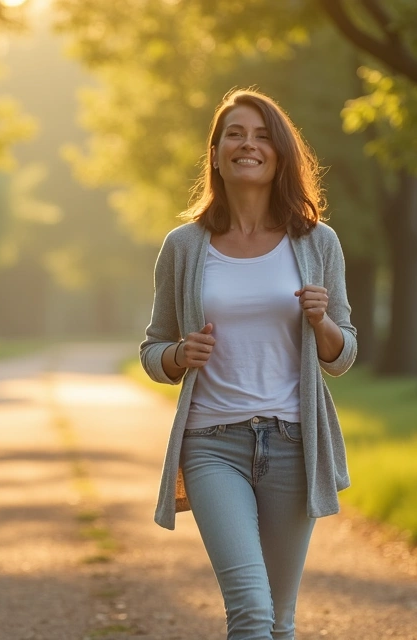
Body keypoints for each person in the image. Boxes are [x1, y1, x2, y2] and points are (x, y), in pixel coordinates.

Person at [139, 88, 357, 639]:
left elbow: (344, 353)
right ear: (215, 154)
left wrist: (321, 322)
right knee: (253, 612)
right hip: (213, 444)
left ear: (280, 154)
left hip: (293, 442)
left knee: (280, 619)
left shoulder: (317, 243)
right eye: (234, 134)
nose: (248, 145)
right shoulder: (185, 246)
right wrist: (178, 354)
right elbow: (152, 349)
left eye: (262, 136)